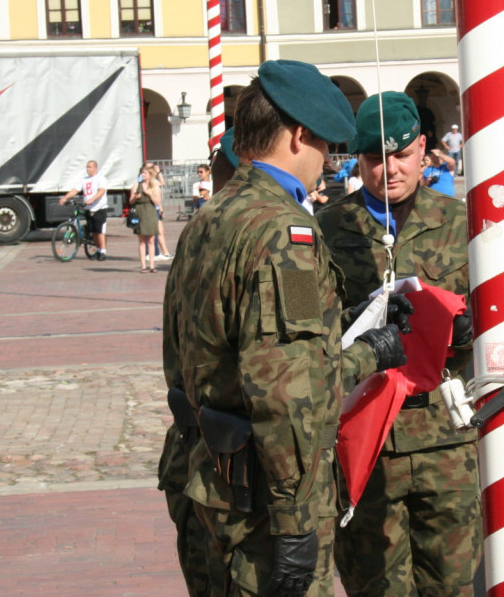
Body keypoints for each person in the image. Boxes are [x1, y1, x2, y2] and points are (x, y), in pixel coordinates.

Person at [161, 61, 408, 597]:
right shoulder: (284, 232)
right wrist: (373, 352)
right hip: (263, 504)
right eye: (326, 146)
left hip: (205, 475)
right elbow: (288, 387)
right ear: (299, 136)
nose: (326, 162)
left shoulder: (213, 215)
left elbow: (206, 346)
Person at [316, 91, 478, 597]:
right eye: (373, 159)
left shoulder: (459, 223)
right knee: (377, 587)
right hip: (368, 438)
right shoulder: (328, 229)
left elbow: (497, 313)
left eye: (401, 155)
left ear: (424, 150)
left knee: (451, 584)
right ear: (357, 159)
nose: (389, 170)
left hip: (445, 440)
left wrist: (470, 329)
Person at [59, 159, 109, 260]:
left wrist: (92, 199)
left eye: (90, 167)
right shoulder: (84, 180)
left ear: (95, 168)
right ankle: (97, 250)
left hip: (99, 208)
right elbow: (75, 190)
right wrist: (65, 197)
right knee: (93, 231)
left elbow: (102, 191)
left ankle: (103, 251)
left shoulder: (100, 179)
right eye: (87, 167)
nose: (88, 169)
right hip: (89, 208)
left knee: (99, 231)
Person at [131, 165, 161, 272]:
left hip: (150, 211)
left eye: (145, 173)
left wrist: (150, 194)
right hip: (140, 211)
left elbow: (158, 202)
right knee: (142, 240)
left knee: (151, 240)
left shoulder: (155, 186)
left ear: (150, 175)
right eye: (142, 173)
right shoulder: (136, 186)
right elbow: (130, 201)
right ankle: (143, 265)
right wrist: (135, 197)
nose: (143, 175)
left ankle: (152, 265)